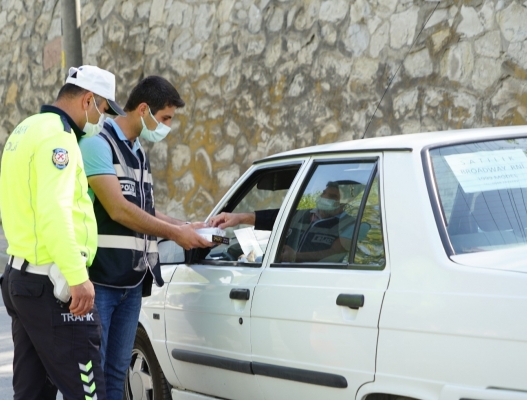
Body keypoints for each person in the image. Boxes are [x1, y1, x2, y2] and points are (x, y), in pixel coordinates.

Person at [78, 75, 212, 399]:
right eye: (165, 118)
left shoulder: (138, 151)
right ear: (143, 110)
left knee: (116, 375)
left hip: (131, 284)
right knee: (91, 378)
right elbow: (119, 210)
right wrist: (174, 234)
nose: (166, 126)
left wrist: (186, 226)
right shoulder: (98, 145)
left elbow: (145, 210)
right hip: (100, 283)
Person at [0, 65, 126, 400]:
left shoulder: (26, 128)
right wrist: (76, 275)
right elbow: (54, 211)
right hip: (52, 286)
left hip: (20, 278)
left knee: (31, 393)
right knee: (89, 394)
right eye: (104, 109)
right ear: (88, 100)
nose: (104, 120)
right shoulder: (59, 138)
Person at [210, 181, 369, 263]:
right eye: (324, 193)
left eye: (333, 197)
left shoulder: (349, 224)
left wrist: (295, 256)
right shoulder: (301, 215)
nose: (325, 198)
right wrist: (238, 218)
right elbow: (274, 218)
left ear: (344, 202)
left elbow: (334, 253)